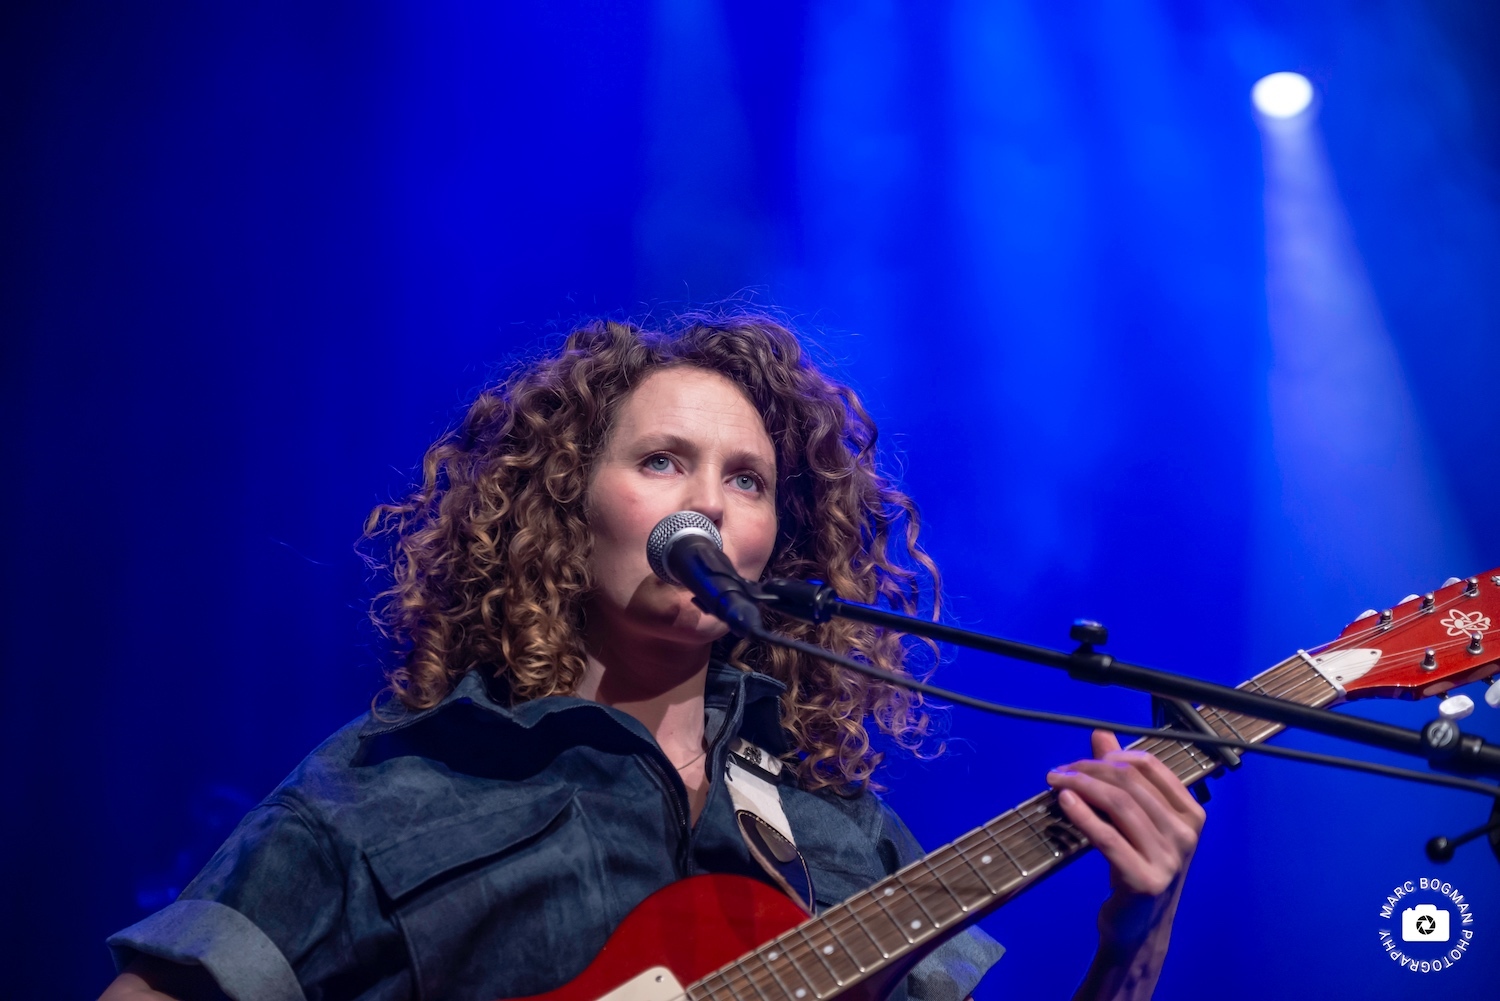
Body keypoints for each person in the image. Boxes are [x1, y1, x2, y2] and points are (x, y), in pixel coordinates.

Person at [100, 313, 1205, 1001]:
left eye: (747, 480)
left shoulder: (837, 836)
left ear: (777, 543)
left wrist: (1135, 939)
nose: (707, 505)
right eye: (664, 461)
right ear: (563, 507)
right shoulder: (392, 789)